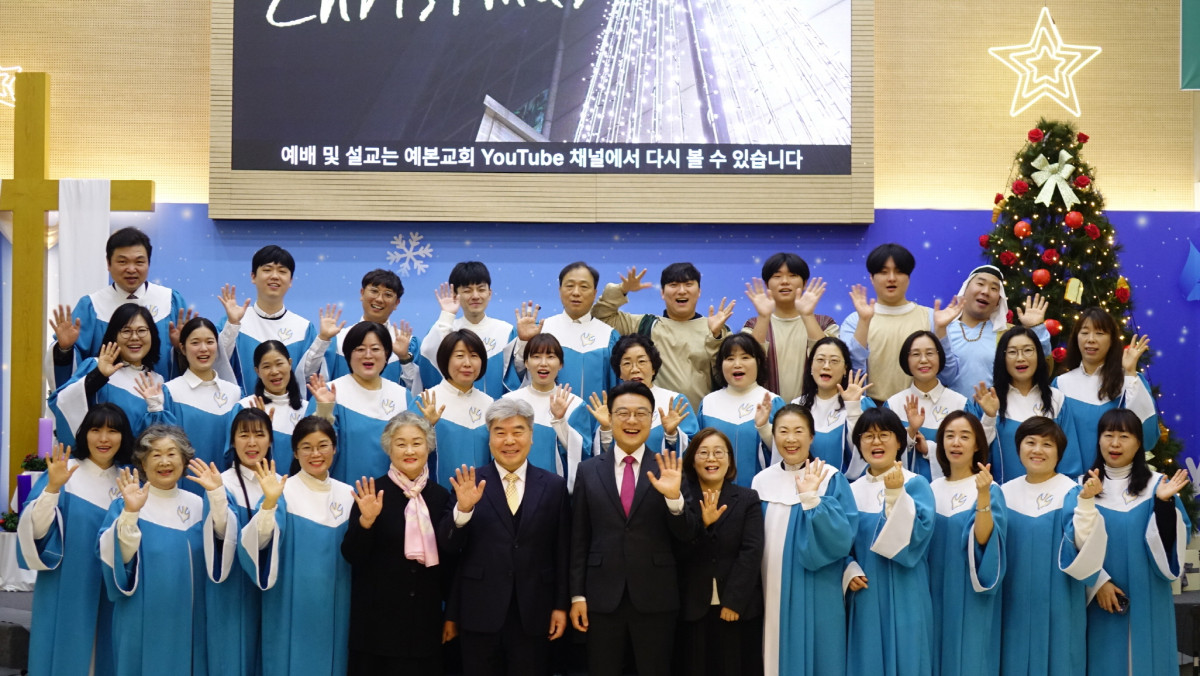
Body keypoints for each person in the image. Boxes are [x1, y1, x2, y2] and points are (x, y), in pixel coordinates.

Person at [569, 381, 700, 676]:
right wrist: (577, 595)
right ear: (610, 417)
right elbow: (579, 538)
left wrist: (674, 499)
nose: (631, 420)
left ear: (651, 419)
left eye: (640, 413)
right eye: (623, 413)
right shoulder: (588, 470)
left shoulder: (669, 467)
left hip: (656, 596)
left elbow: (689, 535)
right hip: (601, 598)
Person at [443, 399, 571, 676]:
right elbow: (449, 548)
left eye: (518, 431)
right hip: (479, 610)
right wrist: (463, 511)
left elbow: (562, 552)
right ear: (489, 438)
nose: (509, 440)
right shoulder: (468, 482)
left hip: (535, 611)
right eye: (500, 432)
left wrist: (561, 606)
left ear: (531, 436)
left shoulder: (553, 486)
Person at [18, 404, 133, 676]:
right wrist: (52, 488)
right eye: (96, 430)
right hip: (66, 582)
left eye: (112, 431)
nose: (103, 438)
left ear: (123, 436)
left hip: (109, 586)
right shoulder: (65, 471)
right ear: (84, 434)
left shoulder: (127, 481)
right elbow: (36, 530)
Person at [341, 412, 457, 675]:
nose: (409, 450)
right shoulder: (371, 492)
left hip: (425, 627)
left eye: (417, 443)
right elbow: (352, 555)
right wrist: (366, 522)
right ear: (388, 448)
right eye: (401, 443)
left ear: (428, 446)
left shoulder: (440, 497)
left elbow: (451, 563)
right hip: (375, 629)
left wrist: (451, 614)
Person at [239, 416, 353, 676]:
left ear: (335, 448)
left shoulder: (348, 495)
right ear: (295, 452)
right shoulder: (282, 491)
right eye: (306, 447)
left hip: (336, 604)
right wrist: (269, 504)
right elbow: (259, 544)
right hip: (289, 605)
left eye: (323, 446)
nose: (316, 454)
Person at [753, 404, 857, 676]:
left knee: (822, 652)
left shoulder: (829, 478)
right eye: (783, 431)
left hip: (818, 583)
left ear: (812, 437)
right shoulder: (761, 481)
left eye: (799, 431)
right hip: (771, 583)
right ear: (773, 435)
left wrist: (812, 500)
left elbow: (843, 537)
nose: (791, 439)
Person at [1085, 409, 1190, 676]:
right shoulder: (1084, 488)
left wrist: (1163, 505)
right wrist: (1097, 582)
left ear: (1139, 443)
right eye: (1108, 435)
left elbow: (1175, 544)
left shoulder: (1158, 486)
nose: (1115, 444)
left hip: (1149, 596)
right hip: (1102, 599)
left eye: (1124, 436)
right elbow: (1071, 543)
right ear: (1098, 440)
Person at [999, 416, 1106, 676]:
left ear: (1059, 452)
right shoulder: (1003, 493)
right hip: (1013, 602)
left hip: (1060, 603)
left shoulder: (1071, 492)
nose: (1037, 450)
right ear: (1018, 447)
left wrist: (1086, 503)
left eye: (1047, 444)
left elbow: (1083, 546)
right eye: (1030, 442)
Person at [98, 425, 207, 675]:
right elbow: (117, 558)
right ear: (142, 464)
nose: (164, 462)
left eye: (172, 453)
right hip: (142, 618)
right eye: (155, 455)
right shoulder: (127, 504)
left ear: (184, 460)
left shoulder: (199, 505)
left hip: (189, 617)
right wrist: (131, 513)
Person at [843, 407, 936, 676]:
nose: (876, 442)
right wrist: (848, 568)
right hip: (866, 591)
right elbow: (840, 541)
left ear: (898, 441)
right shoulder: (851, 491)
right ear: (858, 444)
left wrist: (895, 496)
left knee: (909, 658)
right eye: (868, 436)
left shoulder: (916, 484)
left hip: (907, 589)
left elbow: (918, 540)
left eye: (884, 434)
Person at [187, 408, 275, 676]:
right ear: (232, 441)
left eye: (259, 435)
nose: (252, 443)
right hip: (231, 588)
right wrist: (216, 495)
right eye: (243, 435)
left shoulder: (278, 484)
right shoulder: (222, 483)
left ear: (270, 441)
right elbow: (220, 536)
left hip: (271, 592)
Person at [49, 226, 188, 385]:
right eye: (122, 262)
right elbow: (73, 380)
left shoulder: (170, 302)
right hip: (106, 397)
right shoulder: (92, 306)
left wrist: (182, 348)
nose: (131, 269)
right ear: (108, 264)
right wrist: (64, 350)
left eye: (139, 262)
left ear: (148, 263)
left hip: (160, 393)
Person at [676, 428, 765, 676]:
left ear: (729, 460)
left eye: (718, 452)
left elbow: (751, 551)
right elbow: (677, 550)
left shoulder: (747, 499)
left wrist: (734, 601)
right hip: (691, 607)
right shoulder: (681, 499)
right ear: (692, 460)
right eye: (703, 453)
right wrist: (702, 525)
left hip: (737, 608)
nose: (711, 459)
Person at [927, 412, 1006, 676]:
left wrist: (982, 495)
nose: (956, 443)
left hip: (971, 593)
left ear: (977, 445)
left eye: (964, 436)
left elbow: (985, 541)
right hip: (933, 589)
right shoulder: (931, 489)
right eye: (949, 436)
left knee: (971, 658)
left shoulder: (989, 489)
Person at [591, 263, 734, 410]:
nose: (682, 291)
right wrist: (622, 289)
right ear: (662, 293)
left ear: (699, 292)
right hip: (652, 418)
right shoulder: (646, 325)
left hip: (701, 419)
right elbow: (601, 316)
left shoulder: (716, 328)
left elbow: (729, 378)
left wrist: (716, 337)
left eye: (688, 284)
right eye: (674, 285)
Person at [839, 242, 962, 401]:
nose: (891, 278)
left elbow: (949, 376)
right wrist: (864, 322)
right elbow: (849, 374)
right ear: (871, 278)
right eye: (883, 272)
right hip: (872, 409)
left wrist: (941, 331)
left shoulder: (932, 318)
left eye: (899, 272)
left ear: (908, 277)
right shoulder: (855, 320)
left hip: (921, 406)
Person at [306, 321, 415, 484]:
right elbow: (312, 448)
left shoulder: (402, 396)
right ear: (348, 354)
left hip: (391, 494)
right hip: (340, 493)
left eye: (375, 349)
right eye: (360, 349)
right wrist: (324, 410)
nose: (368, 355)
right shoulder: (328, 393)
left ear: (386, 354)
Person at [1053, 307, 1157, 474]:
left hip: (1119, 480)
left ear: (1112, 340)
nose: (1091, 339)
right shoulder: (1061, 384)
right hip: (1072, 482)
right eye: (1084, 332)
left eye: (1100, 333)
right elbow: (1051, 440)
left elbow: (1148, 438)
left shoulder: (1130, 380)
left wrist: (1130, 374)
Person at [49, 303, 166, 448]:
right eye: (126, 331)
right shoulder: (95, 366)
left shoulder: (158, 381)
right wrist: (99, 376)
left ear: (152, 335)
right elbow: (61, 402)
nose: (135, 337)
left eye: (142, 330)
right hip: (100, 458)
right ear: (114, 335)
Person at [154, 317, 243, 489]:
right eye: (195, 343)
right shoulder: (170, 392)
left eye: (210, 342)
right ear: (182, 348)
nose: (203, 349)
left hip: (227, 488)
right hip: (184, 488)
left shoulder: (234, 393)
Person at [218, 245, 318, 396]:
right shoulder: (234, 321)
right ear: (253, 276)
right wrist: (232, 325)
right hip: (243, 408)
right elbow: (219, 364)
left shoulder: (304, 329)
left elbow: (309, 380)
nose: (275, 276)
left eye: (282, 271)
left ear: (290, 280)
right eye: (267, 270)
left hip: (290, 409)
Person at [884, 330, 983, 482]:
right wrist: (910, 433)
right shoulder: (893, 404)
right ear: (906, 360)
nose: (924, 360)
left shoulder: (960, 404)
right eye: (916, 354)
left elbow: (975, 451)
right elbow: (883, 454)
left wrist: (929, 450)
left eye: (930, 353)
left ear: (940, 357)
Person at [975, 326, 1069, 484]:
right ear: (1002, 358)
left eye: (1028, 350)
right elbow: (974, 453)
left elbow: (1068, 457)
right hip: (1001, 492)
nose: (1020, 358)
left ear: (1038, 355)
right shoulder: (989, 399)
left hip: (1048, 494)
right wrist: (989, 417)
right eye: (1012, 352)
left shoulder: (1056, 399)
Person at [301, 268, 421, 390]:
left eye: (388, 295)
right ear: (362, 293)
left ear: (396, 303)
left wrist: (404, 359)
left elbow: (416, 392)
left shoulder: (407, 344)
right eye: (374, 291)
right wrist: (323, 339)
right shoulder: (338, 339)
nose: (379, 299)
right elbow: (307, 377)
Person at [742, 252, 839, 402]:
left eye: (793, 275)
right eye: (777, 276)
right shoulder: (753, 325)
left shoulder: (825, 324)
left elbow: (831, 360)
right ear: (767, 284)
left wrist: (807, 315)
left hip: (814, 408)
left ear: (804, 283)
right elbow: (748, 362)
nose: (785, 281)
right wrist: (763, 317)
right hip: (766, 408)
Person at [502, 333, 594, 490]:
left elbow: (583, 454)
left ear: (561, 364)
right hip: (514, 488)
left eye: (550, 357)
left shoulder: (574, 405)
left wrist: (560, 421)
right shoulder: (509, 402)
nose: (543, 363)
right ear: (526, 363)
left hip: (556, 491)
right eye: (536, 357)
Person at [519, 261, 619, 403]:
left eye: (584, 287)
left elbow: (618, 387)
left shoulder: (608, 336)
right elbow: (517, 376)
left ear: (595, 293)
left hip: (596, 416)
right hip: (545, 413)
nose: (576, 292)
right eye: (570, 286)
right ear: (560, 290)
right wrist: (524, 342)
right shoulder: (541, 329)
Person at [943, 265, 1051, 397]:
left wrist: (1036, 329)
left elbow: (1043, 365)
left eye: (994, 288)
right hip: (948, 409)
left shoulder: (1008, 333)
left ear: (999, 300)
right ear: (965, 289)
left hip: (996, 408)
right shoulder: (943, 330)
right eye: (980, 284)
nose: (986, 292)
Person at [419, 261, 518, 397]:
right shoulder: (445, 327)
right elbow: (428, 359)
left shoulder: (506, 331)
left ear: (490, 293)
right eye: (467, 291)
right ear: (455, 295)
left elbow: (517, 376)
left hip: (496, 408)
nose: (475, 296)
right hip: (453, 406)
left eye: (481, 289)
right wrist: (447, 315)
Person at [697, 334, 784, 487]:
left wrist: (764, 428)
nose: (737, 364)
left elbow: (786, 451)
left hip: (761, 492)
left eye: (745, 357)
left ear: (758, 362)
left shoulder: (772, 402)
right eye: (730, 359)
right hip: (714, 493)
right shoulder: (709, 404)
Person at [589, 333, 696, 457]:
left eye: (641, 361)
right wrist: (606, 429)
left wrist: (672, 434)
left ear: (653, 368)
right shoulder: (611, 405)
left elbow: (694, 451)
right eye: (627, 363)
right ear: (619, 373)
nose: (635, 369)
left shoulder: (675, 402)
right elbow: (601, 456)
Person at [419, 330, 495, 487]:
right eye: (459, 356)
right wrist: (427, 426)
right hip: (440, 494)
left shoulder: (489, 403)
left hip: (484, 493)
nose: (467, 363)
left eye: (474, 356)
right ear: (445, 359)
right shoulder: (426, 400)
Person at [791, 337, 871, 475]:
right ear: (811, 366)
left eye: (834, 361)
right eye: (820, 360)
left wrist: (852, 407)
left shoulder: (861, 403)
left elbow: (865, 451)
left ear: (845, 369)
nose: (826, 366)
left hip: (848, 485)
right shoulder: (797, 406)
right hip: (804, 483)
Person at [239, 340, 307, 454]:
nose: (274, 372)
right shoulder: (245, 407)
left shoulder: (306, 409)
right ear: (257, 371)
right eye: (266, 366)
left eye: (279, 364)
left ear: (290, 363)